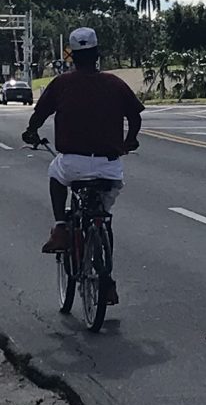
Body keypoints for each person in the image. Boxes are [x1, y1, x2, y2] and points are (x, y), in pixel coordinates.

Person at [23, 26, 143, 280]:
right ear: (97, 54)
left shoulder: (61, 83)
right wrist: (130, 140)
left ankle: (60, 227)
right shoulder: (114, 83)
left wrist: (31, 132)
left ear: (72, 57)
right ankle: (105, 276)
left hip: (72, 165)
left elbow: (39, 115)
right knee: (102, 216)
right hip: (109, 168)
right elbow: (135, 116)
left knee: (55, 174)